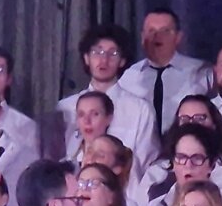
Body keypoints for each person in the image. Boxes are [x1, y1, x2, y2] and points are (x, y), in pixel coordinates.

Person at [59, 24, 158, 162]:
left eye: (113, 54)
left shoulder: (140, 110)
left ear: (122, 61)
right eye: (96, 52)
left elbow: (146, 162)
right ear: (86, 58)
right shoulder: (65, 108)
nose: (104, 60)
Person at [118, 6, 211, 134]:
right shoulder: (129, 77)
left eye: (165, 31)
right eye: (151, 31)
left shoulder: (200, 73)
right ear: (142, 37)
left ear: (178, 37)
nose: (157, 37)